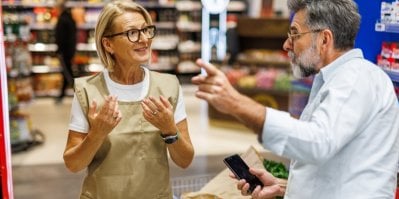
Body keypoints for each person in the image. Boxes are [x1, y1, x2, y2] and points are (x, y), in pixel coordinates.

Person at [191, 0, 399, 198]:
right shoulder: (336, 80)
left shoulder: (356, 79)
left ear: (324, 40)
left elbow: (318, 142)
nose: (286, 45)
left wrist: (237, 103)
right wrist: (283, 186)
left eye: (295, 35)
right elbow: (340, 170)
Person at [63, 1, 194, 198]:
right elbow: (73, 164)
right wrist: (97, 133)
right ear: (108, 44)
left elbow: (185, 160)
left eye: (146, 30)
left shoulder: (168, 86)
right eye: (132, 33)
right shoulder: (88, 91)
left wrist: (169, 130)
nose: (144, 39)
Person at [55, 0, 77, 104]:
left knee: (68, 74)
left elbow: (61, 38)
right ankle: (63, 94)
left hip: (65, 52)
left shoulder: (63, 20)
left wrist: (60, 51)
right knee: (67, 73)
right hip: (69, 51)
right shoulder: (70, 18)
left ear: (60, 8)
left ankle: (78, 93)